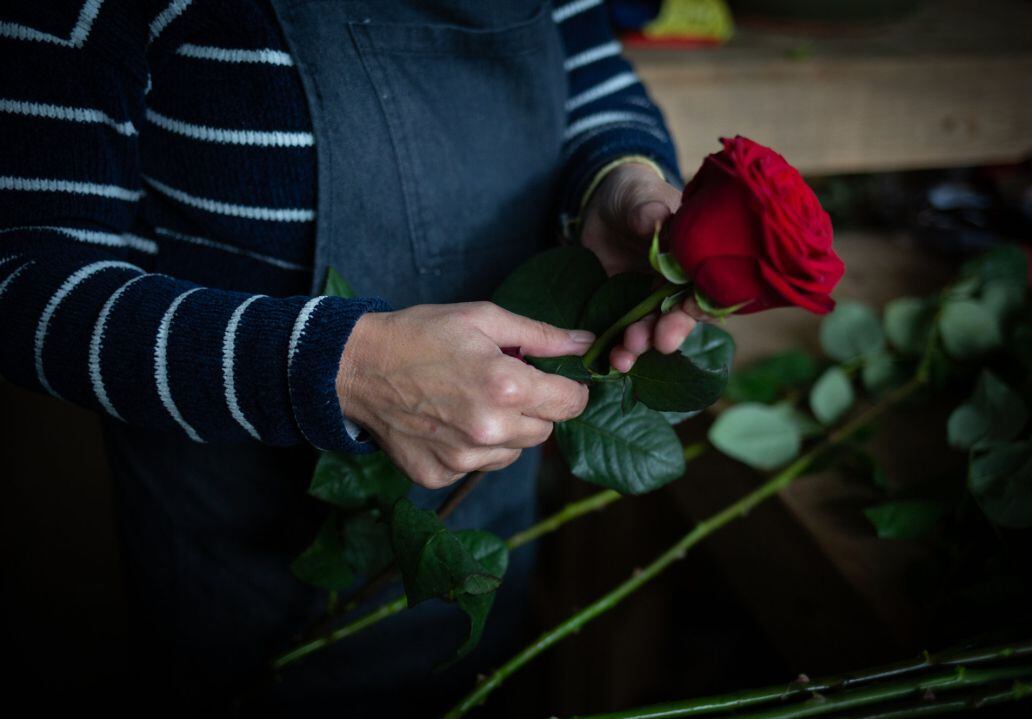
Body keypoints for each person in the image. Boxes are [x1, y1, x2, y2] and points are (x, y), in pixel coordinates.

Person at [0, 0, 706, 711]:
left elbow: (582, 52)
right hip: (242, 557)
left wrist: (618, 176)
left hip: (486, 514)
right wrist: (333, 365)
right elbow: (20, 270)